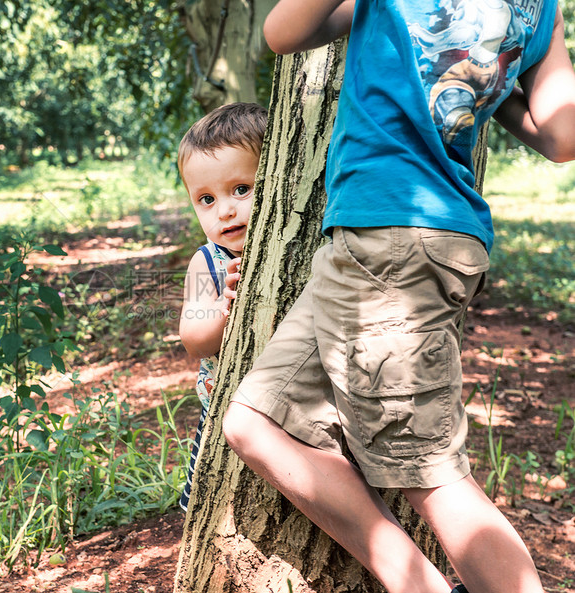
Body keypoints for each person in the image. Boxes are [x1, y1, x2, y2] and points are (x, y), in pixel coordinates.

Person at [220, 1, 575, 592]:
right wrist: (484, 76)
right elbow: (563, 135)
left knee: (429, 472)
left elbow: (281, 33)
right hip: (413, 240)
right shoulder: (540, 8)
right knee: (255, 422)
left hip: (387, 237)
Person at [176, 102, 268, 511]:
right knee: (214, 503)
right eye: (206, 199)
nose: (225, 210)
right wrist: (221, 306)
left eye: (241, 190)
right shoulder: (208, 262)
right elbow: (193, 340)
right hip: (222, 416)